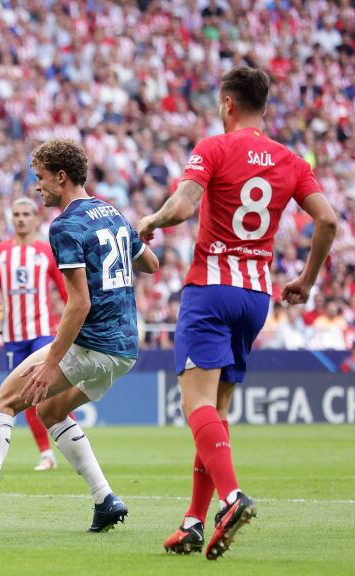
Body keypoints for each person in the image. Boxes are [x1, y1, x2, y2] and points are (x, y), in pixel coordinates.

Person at [138, 66, 338, 560]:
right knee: (218, 413)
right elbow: (328, 220)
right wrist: (307, 281)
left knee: (195, 405)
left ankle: (231, 499)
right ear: (263, 106)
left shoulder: (213, 147)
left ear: (227, 103)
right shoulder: (290, 160)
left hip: (210, 289)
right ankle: (191, 522)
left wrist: (150, 220)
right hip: (256, 297)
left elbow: (184, 206)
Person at [0, 139, 159, 533]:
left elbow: (79, 303)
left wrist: (51, 364)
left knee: (1, 401)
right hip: (125, 349)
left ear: (61, 177)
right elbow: (151, 264)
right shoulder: (114, 213)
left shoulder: (66, 225)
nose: (38, 187)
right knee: (49, 411)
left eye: (41, 178)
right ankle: (105, 499)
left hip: (93, 343)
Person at [0, 197, 69, 471]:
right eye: (16, 214)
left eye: (26, 214)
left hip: (43, 333)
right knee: (25, 396)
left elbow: (68, 291)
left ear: (35, 218)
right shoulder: (1, 252)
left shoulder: (45, 251)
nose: (21, 218)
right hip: (13, 336)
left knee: (49, 393)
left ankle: (70, 446)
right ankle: (46, 454)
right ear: (11, 218)